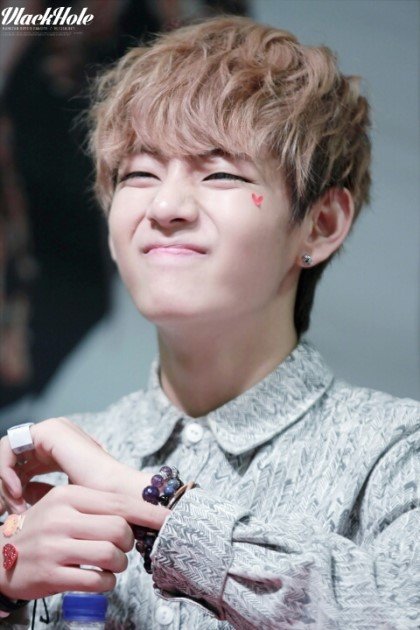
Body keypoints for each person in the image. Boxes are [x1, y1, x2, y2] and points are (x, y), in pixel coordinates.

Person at [0, 15, 418, 630]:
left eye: (221, 172)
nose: (165, 206)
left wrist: (153, 505)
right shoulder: (40, 469)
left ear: (321, 224)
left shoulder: (397, 453)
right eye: (139, 174)